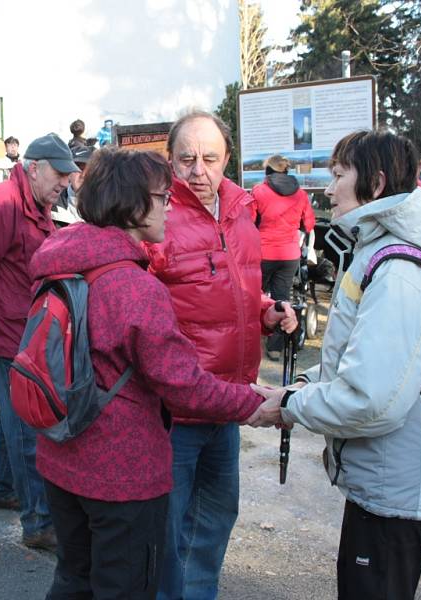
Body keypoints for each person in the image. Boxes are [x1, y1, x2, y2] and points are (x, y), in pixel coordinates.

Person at [30, 147, 293, 599]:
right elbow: (183, 384)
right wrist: (259, 404)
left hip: (61, 455)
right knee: (126, 587)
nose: (170, 205)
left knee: (74, 580)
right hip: (120, 475)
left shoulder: (60, 256)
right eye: (161, 196)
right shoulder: (133, 285)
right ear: (133, 206)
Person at [248, 130, 421, 599]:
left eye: (339, 174)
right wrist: (303, 386)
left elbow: (371, 399)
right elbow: (357, 363)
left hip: (393, 488)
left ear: (375, 181)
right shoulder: (382, 251)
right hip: (382, 483)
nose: (329, 189)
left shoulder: (399, 273)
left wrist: (291, 404)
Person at [142, 112, 293, 600]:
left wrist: (268, 311)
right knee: (170, 532)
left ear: (228, 158)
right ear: (171, 160)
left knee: (213, 522)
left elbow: (242, 286)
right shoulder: (157, 216)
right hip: (177, 410)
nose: (198, 170)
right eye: (187, 158)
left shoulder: (241, 207)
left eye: (210, 158)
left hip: (229, 402)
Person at [0, 133, 80, 552]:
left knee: (14, 418)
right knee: (28, 428)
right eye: (59, 173)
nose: (65, 181)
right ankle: (39, 522)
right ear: (34, 167)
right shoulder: (3, 202)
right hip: (10, 334)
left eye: (68, 174)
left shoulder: (36, 204)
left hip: (24, 330)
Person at [252, 154, 316, 360]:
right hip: (289, 255)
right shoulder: (301, 194)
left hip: (262, 253)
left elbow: (249, 221)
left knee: (253, 296)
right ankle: (275, 347)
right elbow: (308, 225)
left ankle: (252, 343)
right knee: (282, 300)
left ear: (268, 171)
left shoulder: (259, 191)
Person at [52, 144, 93, 227]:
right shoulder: (52, 206)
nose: (83, 174)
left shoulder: (110, 208)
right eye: (78, 168)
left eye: (90, 169)